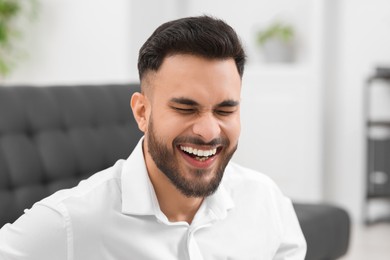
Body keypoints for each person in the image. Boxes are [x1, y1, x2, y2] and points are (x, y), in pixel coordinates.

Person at [0, 16, 306, 259]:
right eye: (186, 108)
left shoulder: (265, 200)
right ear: (142, 112)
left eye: (225, 111)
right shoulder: (71, 221)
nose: (210, 131)